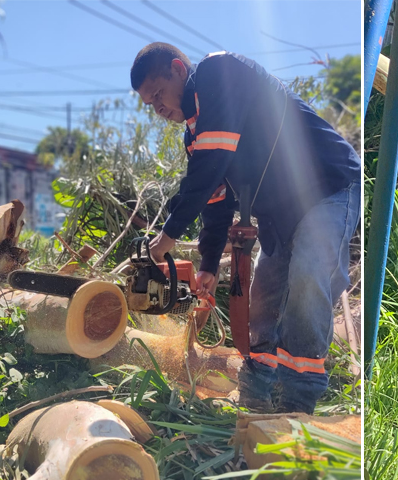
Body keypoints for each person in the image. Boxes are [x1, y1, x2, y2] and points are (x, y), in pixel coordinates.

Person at [130, 42, 361, 414]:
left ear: (178, 68)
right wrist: (206, 265)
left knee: (308, 275)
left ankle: (298, 402)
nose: (158, 108)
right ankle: (256, 394)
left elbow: (209, 169)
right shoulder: (195, 137)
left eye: (158, 94)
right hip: (279, 213)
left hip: (328, 186)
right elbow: (216, 202)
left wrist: (168, 237)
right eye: (149, 104)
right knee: (264, 298)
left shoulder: (218, 73)